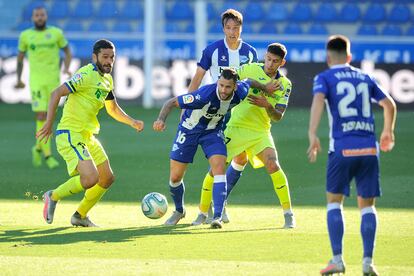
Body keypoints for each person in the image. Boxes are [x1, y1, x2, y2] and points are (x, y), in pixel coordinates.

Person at [307, 35, 396, 276]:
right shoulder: (366, 77)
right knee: (367, 207)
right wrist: (388, 132)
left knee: (334, 202)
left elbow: (317, 100)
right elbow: (389, 104)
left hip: (342, 149)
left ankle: (337, 260)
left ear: (328, 58)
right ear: (349, 57)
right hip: (369, 149)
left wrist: (312, 133)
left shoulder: (324, 77)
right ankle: (368, 262)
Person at [153, 69, 278, 229]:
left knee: (219, 167)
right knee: (175, 177)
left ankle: (217, 216)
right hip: (189, 130)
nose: (223, 90)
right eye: (221, 85)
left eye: (228, 87)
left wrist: (265, 88)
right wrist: (160, 120)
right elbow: (170, 102)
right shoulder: (204, 95)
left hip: (212, 132)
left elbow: (248, 80)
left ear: (235, 87)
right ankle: (179, 210)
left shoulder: (241, 90)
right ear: (217, 82)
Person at [37, 39, 144, 227]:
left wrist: (132, 121)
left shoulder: (107, 79)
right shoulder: (86, 74)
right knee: (90, 179)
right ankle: (52, 196)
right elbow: (56, 93)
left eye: (112, 57)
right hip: (71, 133)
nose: (109, 61)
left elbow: (112, 108)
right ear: (95, 57)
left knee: (107, 178)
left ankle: (80, 216)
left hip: (88, 136)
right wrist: (48, 123)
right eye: (105, 57)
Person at [192, 43, 296, 228]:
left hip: (260, 131)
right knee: (216, 169)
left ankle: (288, 214)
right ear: (265, 56)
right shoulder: (250, 68)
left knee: (273, 164)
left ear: (282, 62)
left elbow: (278, 116)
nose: (270, 64)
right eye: (269, 59)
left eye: (275, 61)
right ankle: (202, 212)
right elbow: (228, 78)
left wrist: (267, 105)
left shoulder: (285, 85)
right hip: (236, 127)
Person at [189, 8, 258, 222]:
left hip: (241, 112)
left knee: (241, 158)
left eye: (236, 28)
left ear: (241, 28)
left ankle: (219, 203)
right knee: (220, 160)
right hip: (217, 111)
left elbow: (253, 82)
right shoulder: (212, 50)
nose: (232, 32)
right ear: (223, 28)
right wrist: (189, 103)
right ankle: (209, 208)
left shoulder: (251, 52)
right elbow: (198, 77)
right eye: (228, 28)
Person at [16, 6, 72, 169]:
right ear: (32, 18)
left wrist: (67, 68)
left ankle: (37, 147)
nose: (39, 18)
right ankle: (48, 156)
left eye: (42, 15)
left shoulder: (56, 33)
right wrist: (19, 79)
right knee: (41, 115)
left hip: (54, 81)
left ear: (46, 16)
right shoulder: (26, 36)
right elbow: (20, 59)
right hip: (37, 81)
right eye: (36, 15)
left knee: (50, 116)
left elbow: (68, 52)